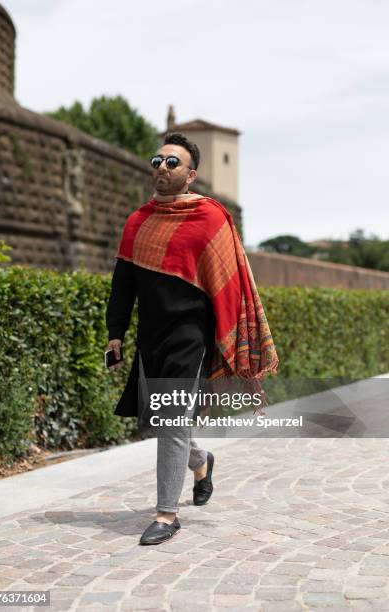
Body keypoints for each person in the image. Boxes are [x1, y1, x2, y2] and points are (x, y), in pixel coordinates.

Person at [106, 132, 279, 545]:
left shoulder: (211, 218)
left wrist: (229, 338)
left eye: (172, 163)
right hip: (151, 336)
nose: (161, 168)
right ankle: (201, 462)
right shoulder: (138, 222)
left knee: (171, 421)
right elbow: (123, 282)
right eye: (157, 160)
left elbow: (230, 280)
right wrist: (115, 333)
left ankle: (166, 515)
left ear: (190, 176)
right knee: (161, 423)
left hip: (191, 337)